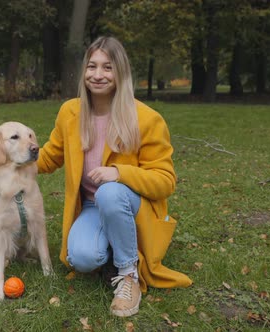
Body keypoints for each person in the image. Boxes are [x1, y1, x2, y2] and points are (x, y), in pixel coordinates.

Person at [36, 36, 192, 317]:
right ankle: (109, 248)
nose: (98, 75)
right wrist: (12, 164)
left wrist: (120, 173)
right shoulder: (70, 112)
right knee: (83, 259)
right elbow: (50, 157)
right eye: (92, 66)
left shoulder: (146, 118)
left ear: (121, 72)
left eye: (107, 68)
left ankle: (129, 273)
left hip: (133, 206)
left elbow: (166, 181)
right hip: (94, 207)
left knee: (110, 191)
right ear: (84, 70)